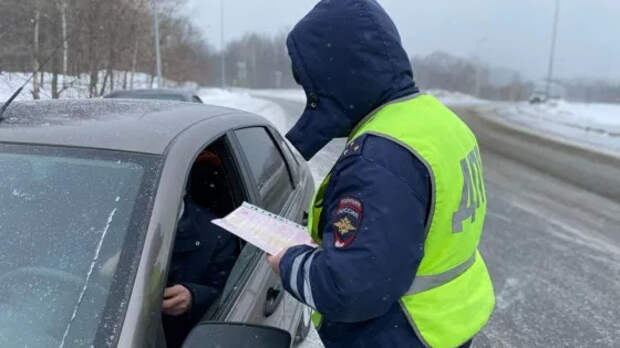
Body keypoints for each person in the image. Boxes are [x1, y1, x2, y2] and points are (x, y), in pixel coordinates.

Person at [267, 1, 495, 347]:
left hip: (400, 332)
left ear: (336, 74)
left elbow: (350, 290)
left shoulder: (379, 158)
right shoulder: (439, 122)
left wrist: (290, 262)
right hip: (449, 321)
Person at [162, 155, 240, 348]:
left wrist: (193, 297)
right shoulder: (106, 226)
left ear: (183, 188)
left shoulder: (217, 236)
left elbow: (232, 294)